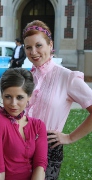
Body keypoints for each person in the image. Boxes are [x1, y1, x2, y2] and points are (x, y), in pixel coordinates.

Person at [23, 20, 92, 179]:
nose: (33, 52)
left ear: (50, 45)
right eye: (28, 47)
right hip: (19, 147)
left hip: (48, 151)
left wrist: (69, 137)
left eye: (38, 45)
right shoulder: (26, 78)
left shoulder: (67, 77)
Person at [0, 68, 47, 180]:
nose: (13, 104)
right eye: (8, 97)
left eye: (19, 97)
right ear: (2, 94)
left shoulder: (38, 126)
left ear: (29, 96)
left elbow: (40, 165)